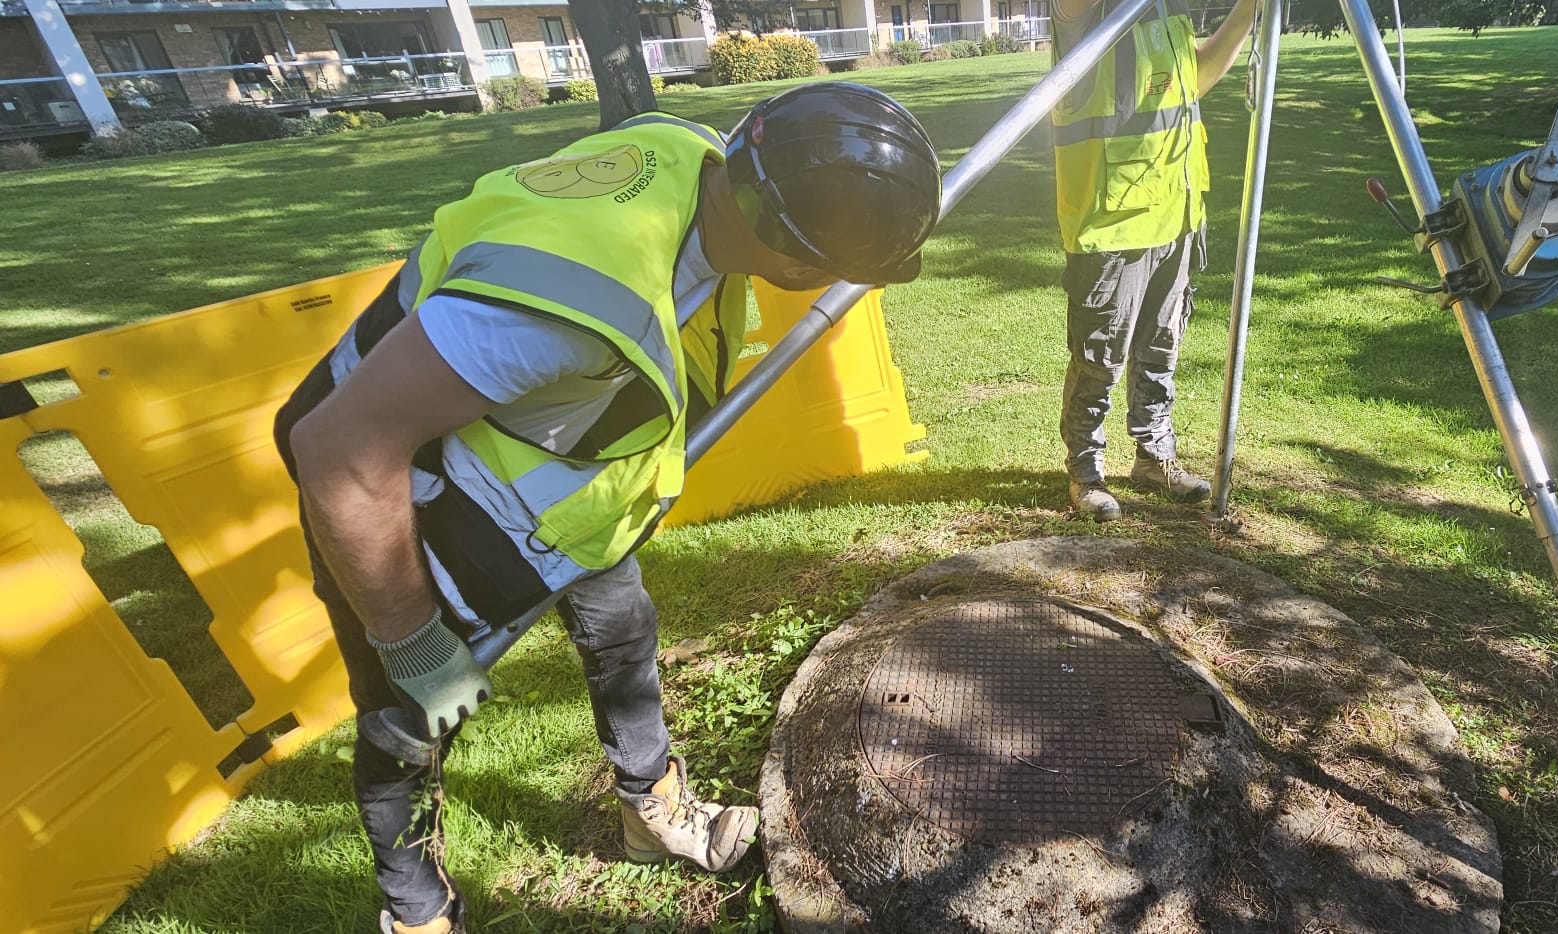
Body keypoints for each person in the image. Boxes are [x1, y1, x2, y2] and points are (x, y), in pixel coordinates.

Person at [273, 83, 941, 934]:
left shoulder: (690, 156)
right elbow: (342, 453)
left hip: (569, 494)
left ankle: (651, 811)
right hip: (407, 514)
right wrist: (411, 642)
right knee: (406, 723)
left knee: (622, 632)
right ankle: (415, 909)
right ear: (795, 256)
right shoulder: (568, 308)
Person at [1051, 0, 1257, 521]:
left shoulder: (1165, 11)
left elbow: (1198, 73)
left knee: (1162, 346)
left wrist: (1250, 10)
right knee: (1100, 358)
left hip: (1176, 211)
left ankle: (1153, 455)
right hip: (1110, 221)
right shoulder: (1083, 13)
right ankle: (1086, 472)